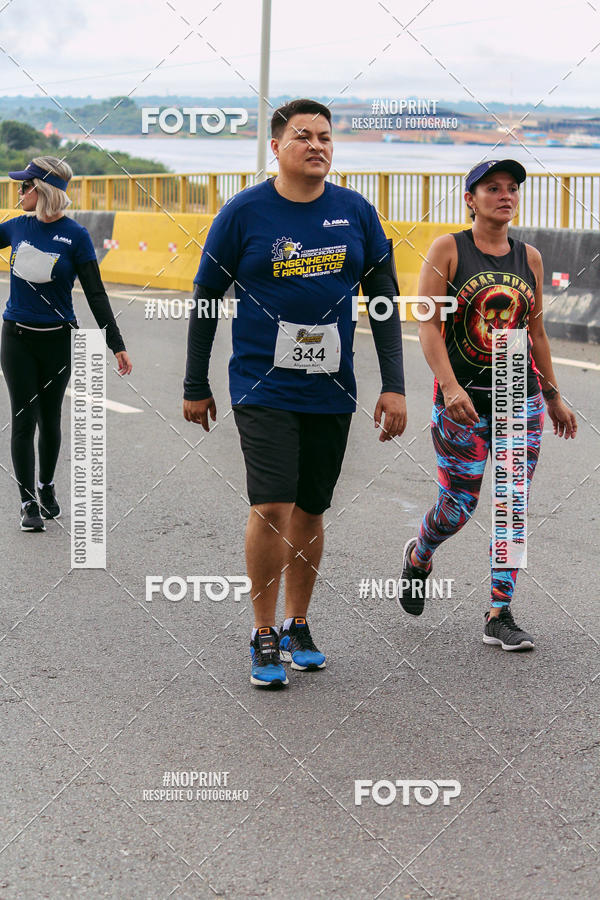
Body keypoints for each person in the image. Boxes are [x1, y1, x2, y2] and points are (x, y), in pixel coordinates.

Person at [184, 98, 406, 687]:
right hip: (261, 384)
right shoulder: (243, 213)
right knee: (273, 504)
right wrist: (195, 381)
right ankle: (262, 631)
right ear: (276, 147)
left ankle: (297, 622)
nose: (317, 146)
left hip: (332, 387)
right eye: (304, 136)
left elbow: (383, 302)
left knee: (311, 508)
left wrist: (395, 386)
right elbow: (206, 298)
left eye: (326, 137)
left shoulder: (356, 212)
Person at [399, 159, 577, 650]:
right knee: (458, 507)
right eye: (492, 188)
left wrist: (553, 396)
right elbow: (428, 326)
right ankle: (420, 554)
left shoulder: (531, 259)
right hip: (464, 405)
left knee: (512, 506)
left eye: (511, 188)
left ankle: (499, 612)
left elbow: (536, 332)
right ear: (470, 199)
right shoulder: (448, 250)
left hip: (518, 401)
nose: (505, 195)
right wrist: (451, 388)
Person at [0, 157, 132, 532]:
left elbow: (95, 293)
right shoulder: (15, 229)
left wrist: (116, 343)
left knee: (50, 418)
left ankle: (46, 486)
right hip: (16, 337)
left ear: (40, 190)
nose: (19, 191)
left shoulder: (75, 236)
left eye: (24, 186)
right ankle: (28, 502)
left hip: (58, 340)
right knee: (23, 419)